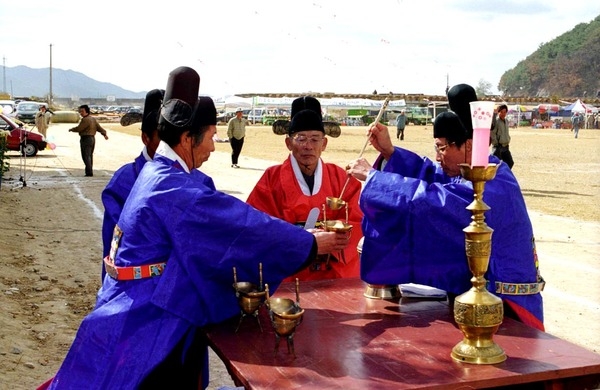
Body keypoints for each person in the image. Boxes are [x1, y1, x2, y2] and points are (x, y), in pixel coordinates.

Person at [40, 66, 348, 389]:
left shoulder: (158, 173)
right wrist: (309, 243)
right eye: (212, 137)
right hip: (147, 317)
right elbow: (241, 227)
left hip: (134, 303)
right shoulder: (173, 189)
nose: (214, 148)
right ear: (188, 138)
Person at [346, 83, 545, 331]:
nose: (438, 157)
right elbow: (431, 176)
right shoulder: (463, 172)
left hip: (505, 301)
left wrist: (376, 179)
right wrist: (389, 151)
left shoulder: (493, 181)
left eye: (442, 148)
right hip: (475, 296)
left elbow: (436, 201)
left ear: (469, 145)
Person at [247, 96, 363, 281]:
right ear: (288, 143)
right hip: (290, 270)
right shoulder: (271, 179)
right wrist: (303, 242)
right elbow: (257, 227)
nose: (308, 146)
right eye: (301, 139)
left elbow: (358, 219)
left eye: (315, 139)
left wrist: (337, 240)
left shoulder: (340, 178)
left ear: (324, 144)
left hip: (332, 269)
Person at [100, 89, 164, 281]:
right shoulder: (124, 180)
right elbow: (113, 245)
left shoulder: (196, 179)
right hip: (135, 288)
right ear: (146, 138)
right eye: (162, 138)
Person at [68, 104, 109, 176]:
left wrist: (72, 129)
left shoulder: (85, 120)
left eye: (82, 111)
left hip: (86, 139)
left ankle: (89, 172)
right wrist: (104, 134)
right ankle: (89, 171)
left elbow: (79, 128)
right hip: (92, 139)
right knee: (89, 155)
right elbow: (99, 128)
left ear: (86, 111)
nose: (81, 113)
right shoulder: (93, 119)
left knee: (86, 156)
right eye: (80, 111)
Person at [490, 104, 514, 169]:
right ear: (499, 112)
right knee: (496, 165)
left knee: (510, 163)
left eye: (505, 112)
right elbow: (492, 133)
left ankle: (504, 176)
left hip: (506, 146)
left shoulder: (506, 121)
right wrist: (496, 143)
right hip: (498, 147)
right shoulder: (496, 121)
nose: (503, 114)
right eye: (501, 112)